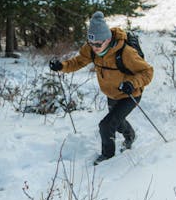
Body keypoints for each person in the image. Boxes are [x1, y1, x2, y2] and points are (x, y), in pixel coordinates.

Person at [49, 11, 153, 165]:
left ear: (108, 39)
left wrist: (132, 83)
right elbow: (78, 62)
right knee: (116, 123)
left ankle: (107, 157)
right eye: (92, 43)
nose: (95, 47)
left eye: (98, 44)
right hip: (112, 93)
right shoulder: (91, 49)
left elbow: (147, 71)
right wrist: (62, 66)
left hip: (130, 94)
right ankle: (130, 135)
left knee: (106, 125)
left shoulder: (125, 53)